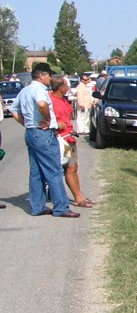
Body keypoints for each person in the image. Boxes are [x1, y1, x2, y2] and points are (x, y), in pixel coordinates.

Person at [10, 62, 79, 217]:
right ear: (40, 75)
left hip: (31, 132)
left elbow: (13, 110)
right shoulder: (39, 90)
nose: (50, 78)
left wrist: (27, 123)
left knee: (36, 172)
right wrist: (48, 119)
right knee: (54, 171)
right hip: (44, 134)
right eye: (48, 75)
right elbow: (41, 104)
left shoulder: (25, 90)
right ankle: (61, 207)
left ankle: (37, 206)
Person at [50, 75, 95, 208]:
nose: (69, 88)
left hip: (69, 136)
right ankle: (77, 198)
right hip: (61, 139)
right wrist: (56, 125)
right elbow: (47, 118)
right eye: (66, 86)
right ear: (61, 87)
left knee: (74, 167)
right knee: (69, 168)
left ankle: (80, 195)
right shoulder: (51, 101)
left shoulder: (64, 100)